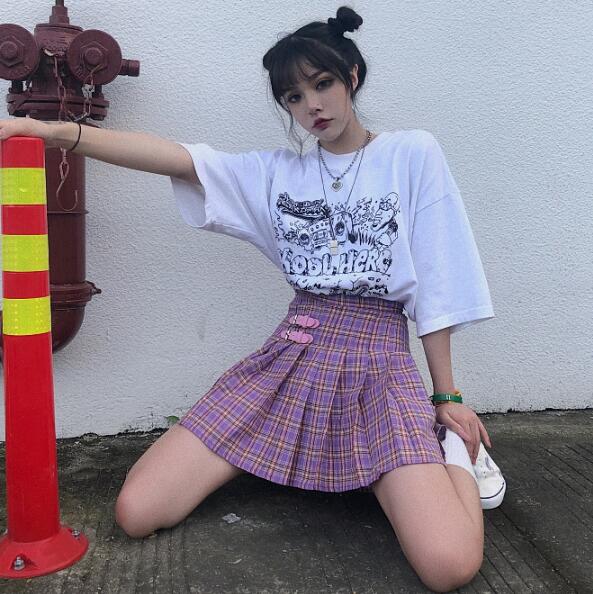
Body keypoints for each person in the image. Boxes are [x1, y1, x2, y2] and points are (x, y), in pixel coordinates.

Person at [0, 6, 506, 592]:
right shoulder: (275, 174)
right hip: (291, 355)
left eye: (322, 84)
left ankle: (451, 451)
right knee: (137, 511)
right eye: (293, 97)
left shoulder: (411, 154)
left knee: (449, 566)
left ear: (352, 77)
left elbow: (439, 276)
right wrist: (52, 133)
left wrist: (447, 397)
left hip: (378, 365)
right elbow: (172, 156)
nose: (312, 105)